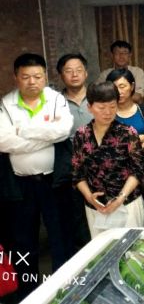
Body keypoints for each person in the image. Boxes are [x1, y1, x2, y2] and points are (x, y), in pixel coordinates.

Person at [0, 53, 73, 299]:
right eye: (26, 77)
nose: (32, 81)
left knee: (60, 236)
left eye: (37, 76)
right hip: (21, 185)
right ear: (16, 77)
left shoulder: (56, 99)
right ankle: (28, 291)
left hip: (54, 182)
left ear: (45, 76)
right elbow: (3, 141)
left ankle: (64, 288)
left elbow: (63, 131)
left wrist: (22, 130)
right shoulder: (5, 104)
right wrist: (46, 137)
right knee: (24, 240)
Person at [72, 82, 144, 238]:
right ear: (89, 107)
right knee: (101, 248)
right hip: (96, 206)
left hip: (127, 203)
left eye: (112, 106)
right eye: (101, 107)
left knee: (131, 247)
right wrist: (89, 197)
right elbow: (77, 173)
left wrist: (120, 198)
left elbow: (138, 170)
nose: (108, 112)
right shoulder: (81, 135)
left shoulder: (128, 133)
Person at [106, 68, 144, 225]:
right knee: (129, 221)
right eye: (114, 87)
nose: (119, 91)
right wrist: (141, 139)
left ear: (132, 86)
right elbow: (110, 148)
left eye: (122, 86)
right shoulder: (107, 114)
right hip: (120, 177)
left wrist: (126, 145)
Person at [56, 53, 93, 255]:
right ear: (61, 75)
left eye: (78, 70)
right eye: (68, 71)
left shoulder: (97, 97)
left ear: (86, 73)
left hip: (99, 166)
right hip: (70, 168)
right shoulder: (55, 103)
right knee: (75, 216)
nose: (74, 75)